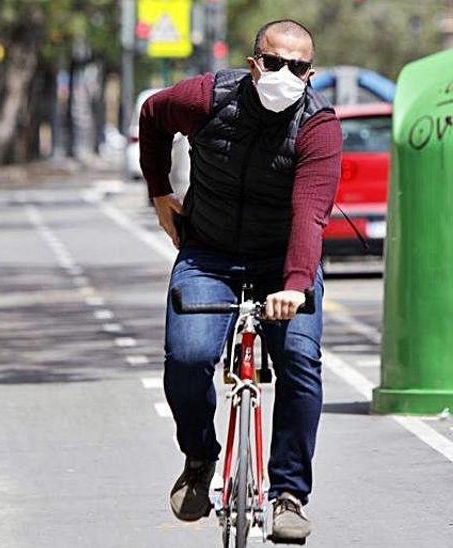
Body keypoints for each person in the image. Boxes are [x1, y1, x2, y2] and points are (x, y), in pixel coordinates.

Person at [138, 19, 340, 542]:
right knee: (186, 357)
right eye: (274, 63)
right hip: (208, 253)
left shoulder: (319, 125)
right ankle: (201, 458)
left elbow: (309, 212)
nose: (284, 75)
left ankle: (290, 495)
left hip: (283, 263)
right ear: (254, 64)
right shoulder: (206, 98)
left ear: (309, 74)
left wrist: (296, 284)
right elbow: (152, 116)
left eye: (298, 68)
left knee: (300, 362)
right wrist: (160, 193)